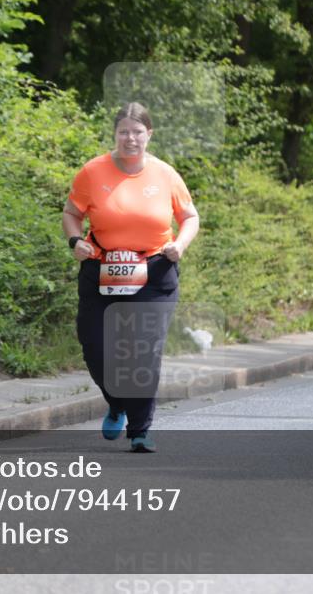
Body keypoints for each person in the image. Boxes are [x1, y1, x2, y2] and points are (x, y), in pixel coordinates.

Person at [62, 102, 199, 452]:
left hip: (154, 270)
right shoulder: (93, 172)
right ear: (115, 134)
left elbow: (189, 217)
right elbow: (71, 213)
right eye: (124, 131)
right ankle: (118, 402)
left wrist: (180, 245)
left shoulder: (165, 174)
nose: (130, 138)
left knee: (142, 351)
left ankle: (140, 430)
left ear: (149, 135)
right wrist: (76, 240)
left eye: (137, 132)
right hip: (102, 268)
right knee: (94, 346)